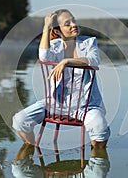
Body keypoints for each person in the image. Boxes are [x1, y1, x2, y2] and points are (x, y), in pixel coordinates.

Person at [12, 9, 110, 148]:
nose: (73, 25)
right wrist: (46, 27)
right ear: (57, 31)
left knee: (99, 127)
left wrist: (66, 61)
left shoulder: (88, 42)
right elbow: (44, 56)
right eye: (67, 23)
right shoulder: (55, 46)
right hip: (56, 103)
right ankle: (30, 150)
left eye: (74, 20)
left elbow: (93, 60)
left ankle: (97, 160)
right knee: (20, 121)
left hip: (85, 105)